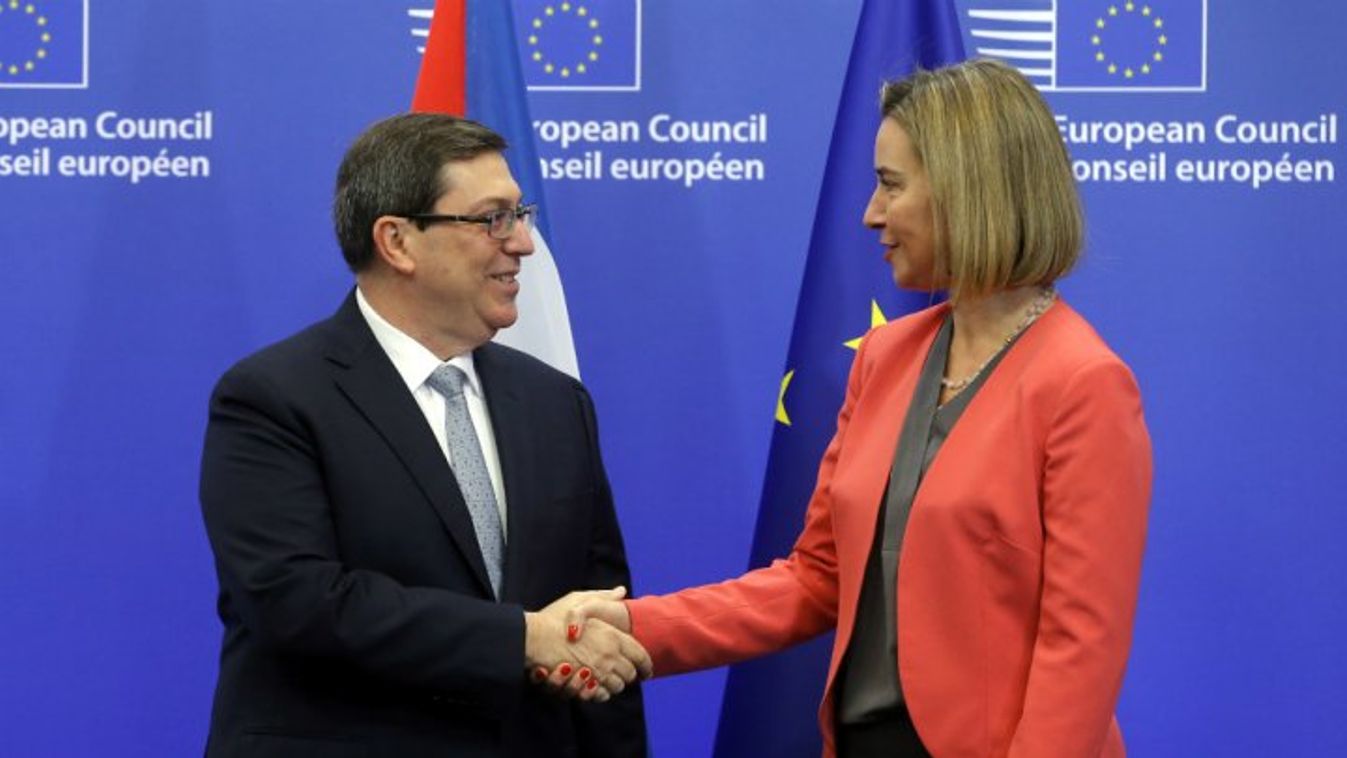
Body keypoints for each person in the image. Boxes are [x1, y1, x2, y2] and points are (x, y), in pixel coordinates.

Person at [558, 59, 1152, 757]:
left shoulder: (1083, 384)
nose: (871, 213)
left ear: (968, 189)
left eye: (890, 185)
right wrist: (634, 627)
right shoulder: (885, 356)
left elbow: (1081, 648)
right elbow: (815, 580)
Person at [198, 113, 650, 757]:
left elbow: (600, 622)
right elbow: (296, 601)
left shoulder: (554, 402)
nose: (523, 243)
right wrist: (522, 638)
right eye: (493, 219)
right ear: (398, 242)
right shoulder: (274, 397)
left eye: (520, 214)